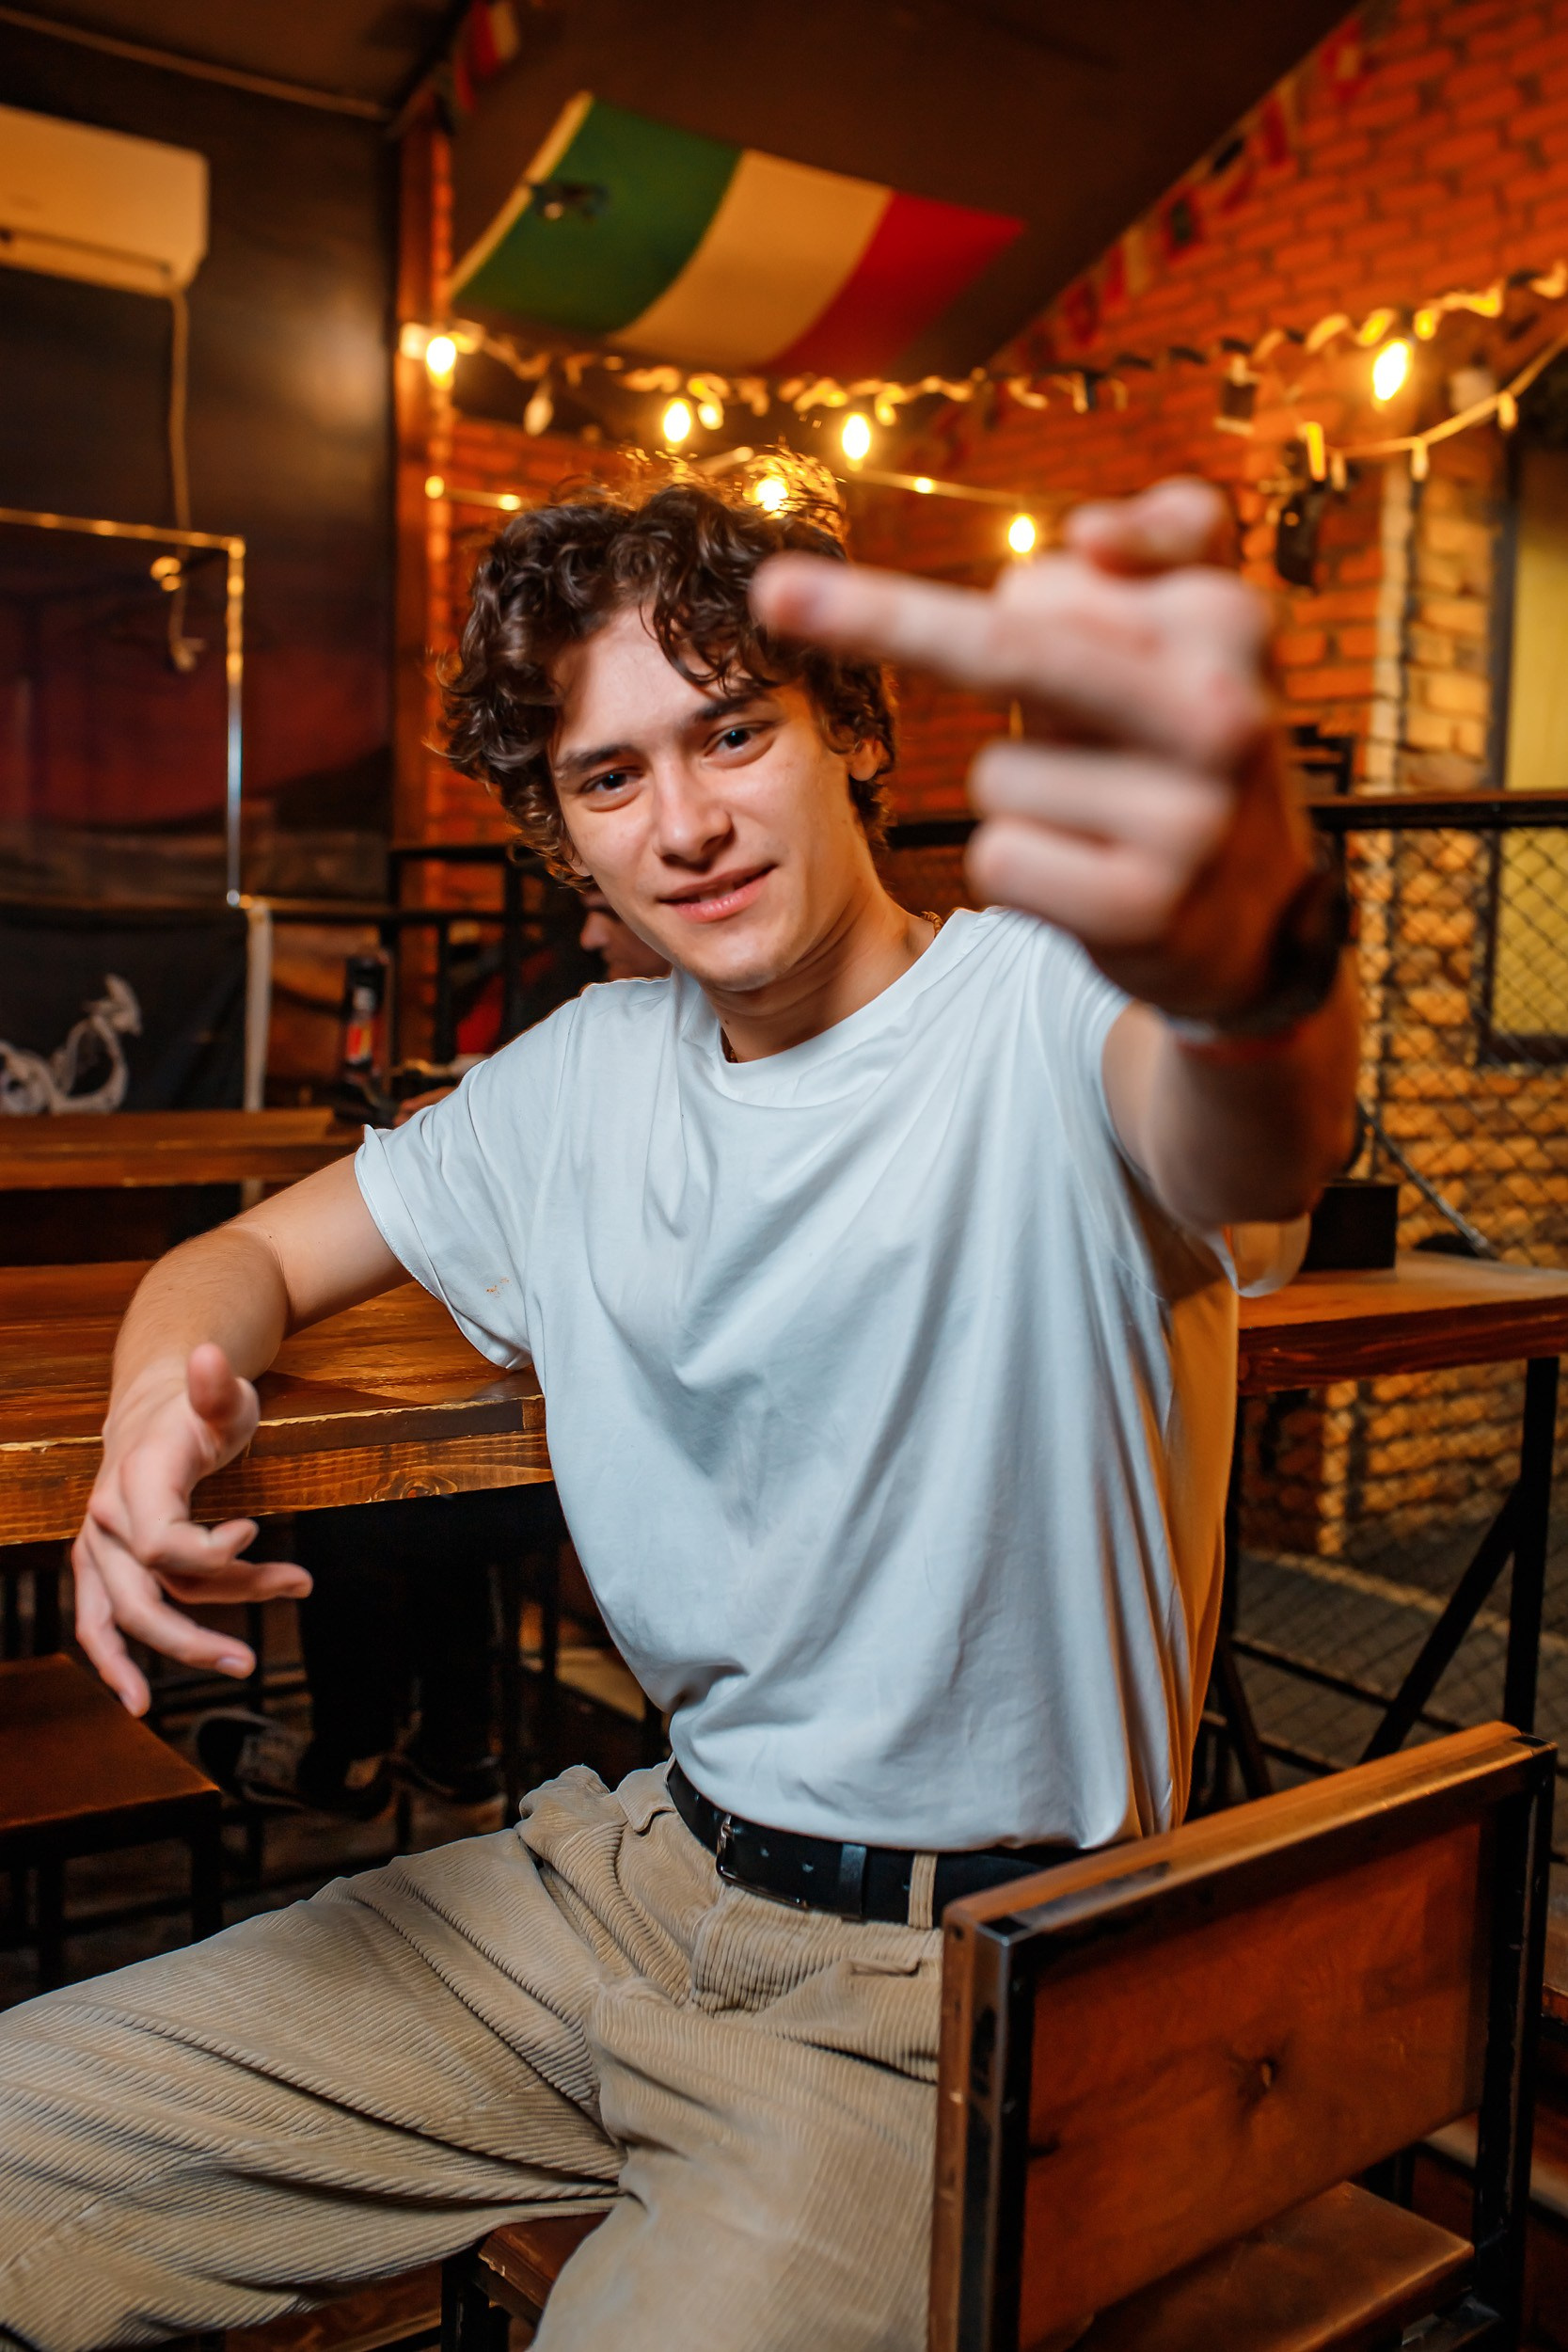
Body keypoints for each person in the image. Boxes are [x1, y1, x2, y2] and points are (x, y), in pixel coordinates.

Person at [0, 469, 1356, 2352]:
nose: (687, 823)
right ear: (561, 834)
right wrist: (161, 1407)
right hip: (630, 1880)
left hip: (953, 1987)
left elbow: (1256, 1138)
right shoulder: (577, 1082)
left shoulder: (1045, 1014)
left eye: (732, 732)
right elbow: (245, 1260)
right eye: (608, 775)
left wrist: (1253, 943)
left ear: (852, 728)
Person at [194, 899, 667, 1822]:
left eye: (603, 910)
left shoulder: (642, 1048)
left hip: (633, 1464)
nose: (587, 936)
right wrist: (476, 1118)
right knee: (433, 1465)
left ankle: (352, 1758)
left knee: (362, 1496)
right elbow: (259, 1255)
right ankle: (457, 1747)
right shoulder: (604, 1036)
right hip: (601, 1439)